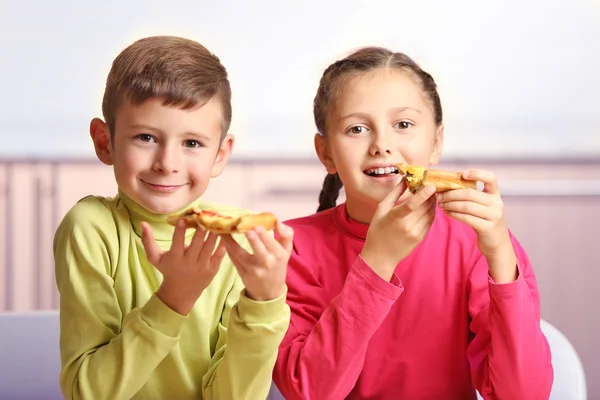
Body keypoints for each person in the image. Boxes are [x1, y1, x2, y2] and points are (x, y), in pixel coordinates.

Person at [271, 46, 554, 399]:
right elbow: (310, 390)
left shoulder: (474, 243)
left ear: (436, 143)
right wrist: (378, 260)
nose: (382, 145)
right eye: (357, 129)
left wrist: (500, 254)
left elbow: (523, 394)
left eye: (403, 125)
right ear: (326, 153)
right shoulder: (288, 245)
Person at [53, 35, 293, 400]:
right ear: (105, 142)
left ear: (220, 154)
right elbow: (87, 392)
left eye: (192, 143)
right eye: (146, 137)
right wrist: (172, 300)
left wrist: (266, 303)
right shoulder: (90, 229)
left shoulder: (240, 244)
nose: (168, 163)